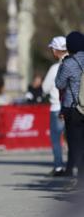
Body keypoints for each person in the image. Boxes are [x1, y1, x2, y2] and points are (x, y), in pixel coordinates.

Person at [55, 31, 84, 181]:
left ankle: (80, 180)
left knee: (76, 146)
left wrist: (62, 65)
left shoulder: (69, 63)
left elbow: (59, 84)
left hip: (73, 109)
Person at [42, 36, 67, 176]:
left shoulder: (55, 68)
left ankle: (58, 166)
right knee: (74, 139)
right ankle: (74, 165)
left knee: (56, 138)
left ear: (57, 50)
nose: (51, 51)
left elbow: (45, 88)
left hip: (57, 107)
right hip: (74, 107)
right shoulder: (77, 64)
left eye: (52, 48)